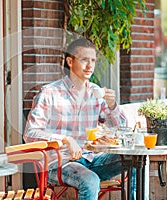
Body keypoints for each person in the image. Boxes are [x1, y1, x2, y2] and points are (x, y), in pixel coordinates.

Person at [23, 38, 127, 199]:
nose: (90, 65)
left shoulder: (96, 92)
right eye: (84, 59)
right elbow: (30, 133)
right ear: (70, 62)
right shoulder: (50, 93)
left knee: (133, 162)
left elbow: (121, 128)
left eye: (93, 60)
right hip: (59, 164)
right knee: (90, 180)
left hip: (91, 158)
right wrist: (65, 139)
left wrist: (113, 106)